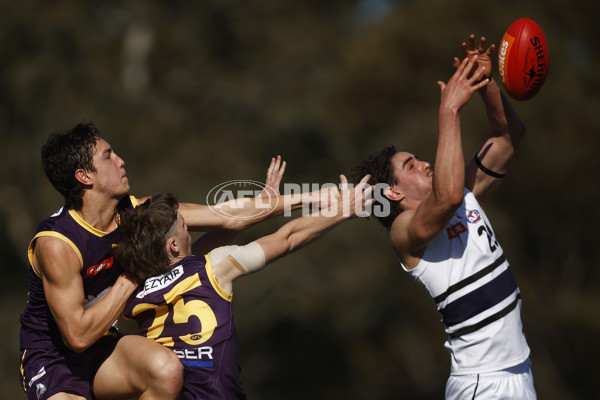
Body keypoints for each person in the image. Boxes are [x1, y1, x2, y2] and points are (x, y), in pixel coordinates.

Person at [18, 121, 319, 400]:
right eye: (108, 157)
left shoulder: (136, 213)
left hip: (104, 346)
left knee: (167, 369)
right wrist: (131, 277)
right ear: (84, 177)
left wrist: (321, 198)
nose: (121, 160)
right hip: (53, 358)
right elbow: (77, 336)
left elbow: (225, 216)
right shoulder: (58, 244)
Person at [351, 35, 536, 399]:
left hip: (519, 372)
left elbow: (509, 138)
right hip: (483, 384)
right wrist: (448, 112)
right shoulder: (405, 234)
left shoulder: (462, 193)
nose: (422, 163)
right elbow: (448, 197)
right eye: (410, 166)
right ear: (394, 193)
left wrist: (487, 85)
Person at [114, 176, 372, 399]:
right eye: (185, 228)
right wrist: (343, 210)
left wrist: (259, 208)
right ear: (173, 245)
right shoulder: (213, 267)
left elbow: (204, 247)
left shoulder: (135, 293)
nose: (189, 232)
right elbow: (288, 238)